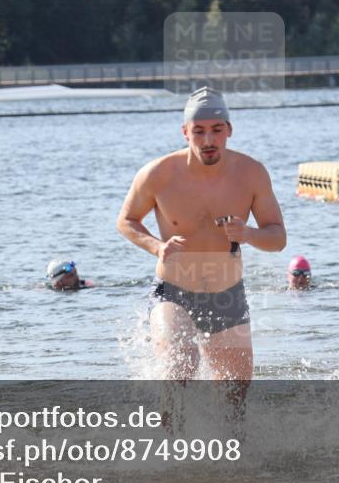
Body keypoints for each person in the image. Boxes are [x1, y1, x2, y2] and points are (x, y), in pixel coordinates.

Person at [117, 86, 286, 381]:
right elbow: (126, 221)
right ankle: (164, 414)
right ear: (185, 132)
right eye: (199, 131)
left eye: (216, 130)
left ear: (229, 130)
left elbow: (278, 238)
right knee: (181, 368)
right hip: (173, 292)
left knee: (234, 393)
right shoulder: (157, 174)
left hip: (228, 295)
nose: (208, 140)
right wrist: (157, 247)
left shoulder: (252, 174)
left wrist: (248, 234)